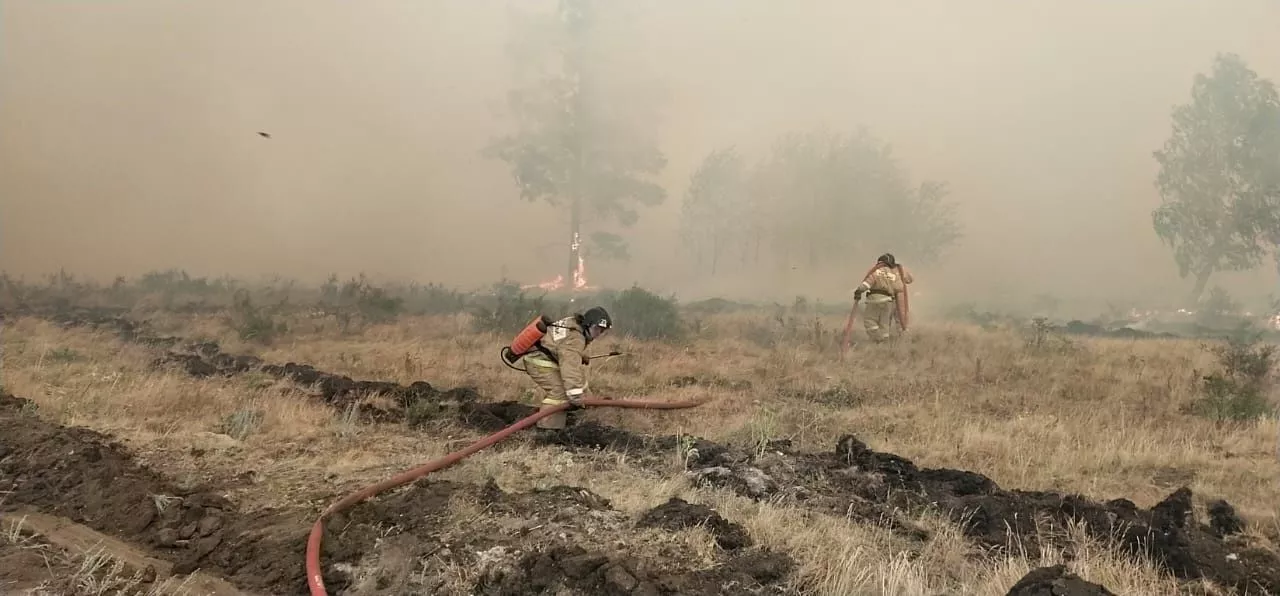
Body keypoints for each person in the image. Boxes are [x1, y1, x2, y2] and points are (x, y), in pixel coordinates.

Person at [519, 306, 613, 430]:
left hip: (547, 356)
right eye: (597, 329)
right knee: (559, 394)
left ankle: (586, 413)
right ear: (588, 324)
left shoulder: (573, 323)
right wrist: (575, 396)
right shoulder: (576, 338)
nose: (598, 335)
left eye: (602, 331)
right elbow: (570, 366)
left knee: (580, 384)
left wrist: (579, 355)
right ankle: (547, 430)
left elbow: (561, 345)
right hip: (538, 361)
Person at [853, 253, 912, 342]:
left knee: (870, 320)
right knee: (886, 324)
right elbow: (907, 281)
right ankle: (891, 341)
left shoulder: (876, 271)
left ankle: (879, 339)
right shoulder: (897, 272)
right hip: (889, 301)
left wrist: (859, 291)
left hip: (875, 300)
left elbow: (867, 283)